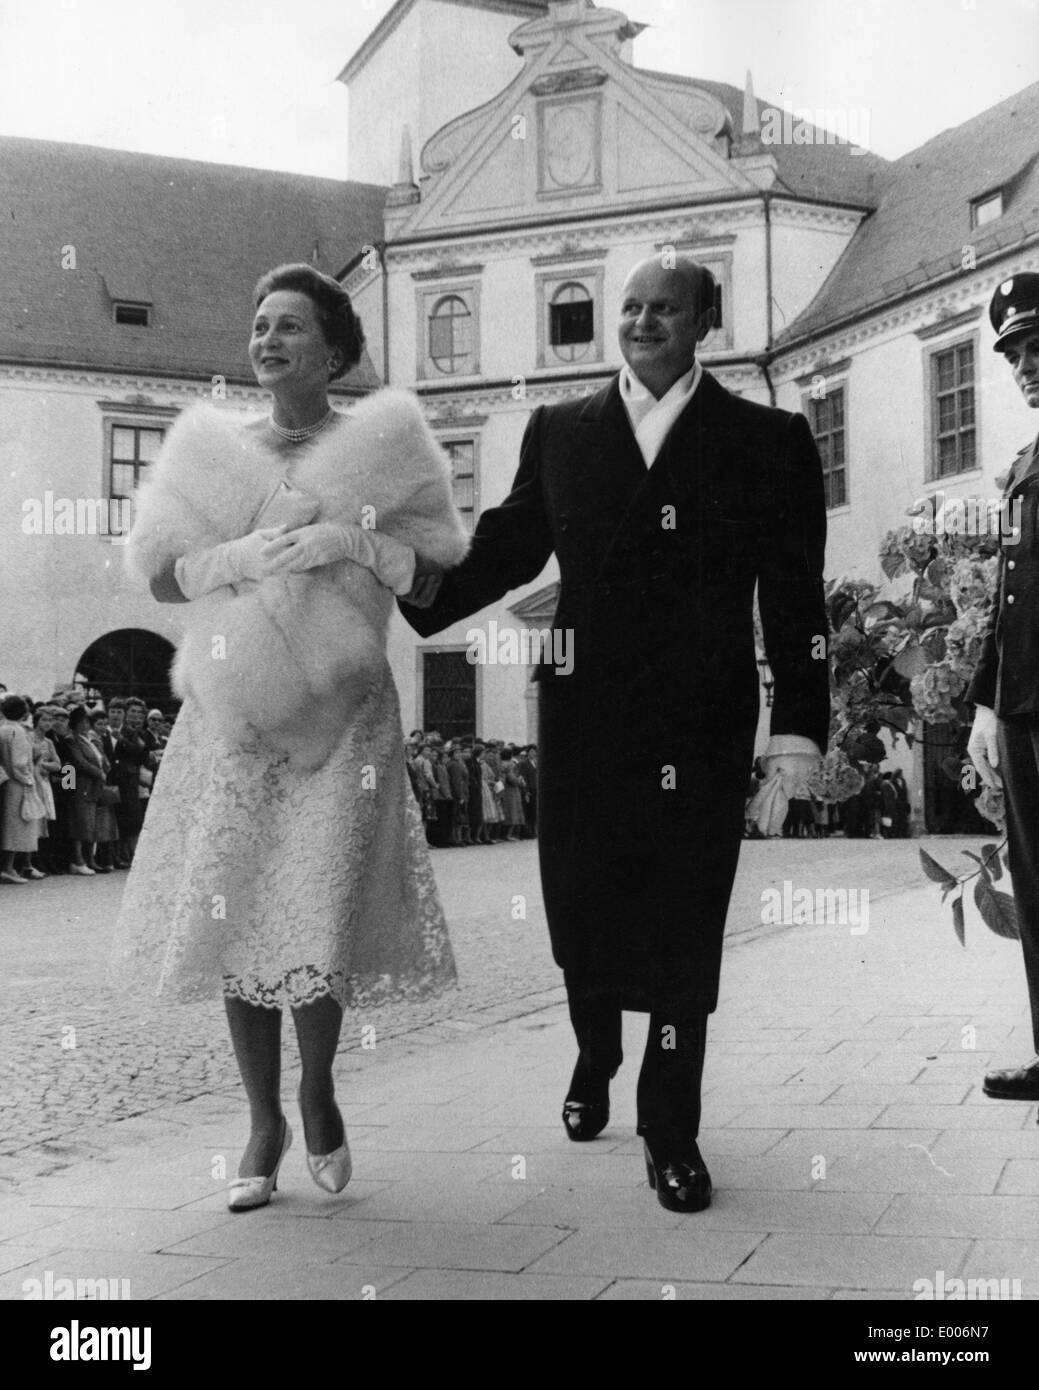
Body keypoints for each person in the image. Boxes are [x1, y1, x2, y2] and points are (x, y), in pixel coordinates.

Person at [401, 254, 828, 1212]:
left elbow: (795, 595)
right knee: (582, 902)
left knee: (684, 917)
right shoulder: (560, 432)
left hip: (702, 713)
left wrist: (796, 731)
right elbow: (505, 548)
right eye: (628, 307)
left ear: (701, 323)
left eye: (663, 309)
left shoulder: (765, 438)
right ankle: (595, 1052)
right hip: (584, 708)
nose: (640, 322)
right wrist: (406, 571)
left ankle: (669, 1123)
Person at [108, 262, 468, 1211]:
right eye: (260, 326)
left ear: (335, 350)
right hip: (234, 713)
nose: (268, 341)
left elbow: (433, 583)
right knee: (235, 902)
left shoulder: (386, 448)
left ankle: (317, 1088)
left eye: (291, 328)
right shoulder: (209, 452)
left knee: (319, 899)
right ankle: (260, 1117)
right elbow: (157, 577)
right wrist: (233, 556)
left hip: (346, 712)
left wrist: (358, 545)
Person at [966, 272, 1039, 1103]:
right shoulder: (1025, 462)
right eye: (1014, 352)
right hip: (1024, 709)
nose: (1025, 365)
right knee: (1036, 879)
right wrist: (987, 704)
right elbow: (1006, 596)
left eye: (1037, 346)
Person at [0, 696, 42, 884]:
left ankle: (10, 866)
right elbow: (19, 763)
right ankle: (8, 867)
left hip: (7, 781)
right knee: (16, 826)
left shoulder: (3, 729)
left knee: (10, 824)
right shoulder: (17, 731)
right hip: (18, 783)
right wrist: (28, 779)